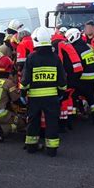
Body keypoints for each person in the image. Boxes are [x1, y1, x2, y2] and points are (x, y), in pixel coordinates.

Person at [20, 26, 67, 157]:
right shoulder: (55, 58)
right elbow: (62, 78)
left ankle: (31, 146)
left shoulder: (31, 58)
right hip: (52, 97)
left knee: (33, 121)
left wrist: (23, 93)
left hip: (34, 98)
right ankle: (52, 149)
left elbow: (25, 79)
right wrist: (62, 92)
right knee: (52, 122)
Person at [65, 28, 94, 125]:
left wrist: (71, 80)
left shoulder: (75, 49)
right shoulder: (87, 47)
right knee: (91, 98)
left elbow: (76, 66)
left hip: (82, 78)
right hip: (92, 78)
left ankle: (71, 119)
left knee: (72, 96)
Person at [52, 25, 83, 131]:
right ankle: (69, 120)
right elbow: (76, 62)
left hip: (66, 76)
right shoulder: (67, 44)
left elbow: (58, 63)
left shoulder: (57, 45)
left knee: (64, 99)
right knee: (69, 98)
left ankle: (63, 123)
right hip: (75, 75)